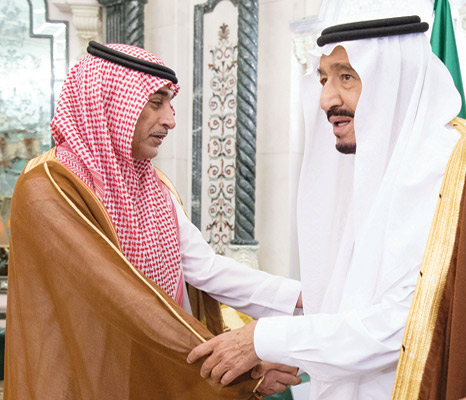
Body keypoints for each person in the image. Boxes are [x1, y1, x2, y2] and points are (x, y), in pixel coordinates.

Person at [187, 15, 466, 399]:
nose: (326, 99)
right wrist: (293, 352)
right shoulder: (369, 164)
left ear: (394, 77)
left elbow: (406, 327)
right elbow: (350, 307)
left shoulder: (447, 168)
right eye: (323, 79)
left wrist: (263, 339)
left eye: (346, 76)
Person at [4, 41, 303, 399]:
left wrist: (303, 297)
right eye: (156, 103)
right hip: (84, 375)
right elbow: (122, 296)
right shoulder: (49, 185)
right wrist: (237, 371)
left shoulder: (151, 183)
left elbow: (204, 268)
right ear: (110, 103)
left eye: (170, 104)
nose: (171, 120)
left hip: (155, 369)